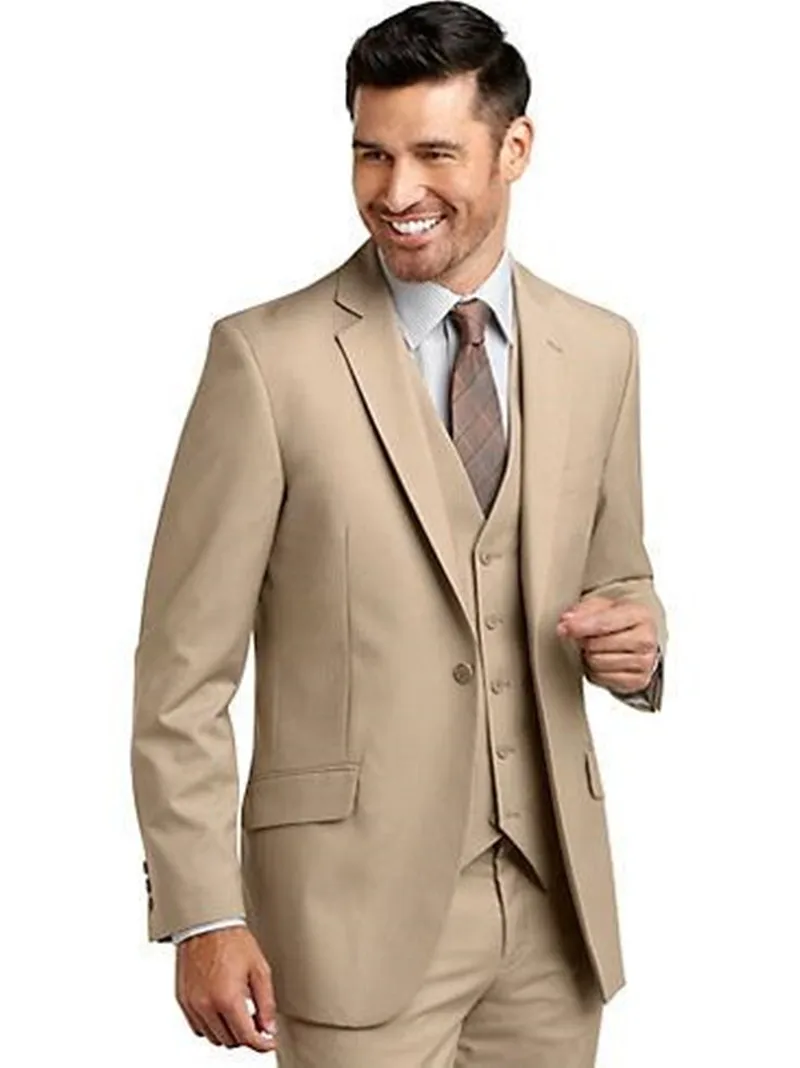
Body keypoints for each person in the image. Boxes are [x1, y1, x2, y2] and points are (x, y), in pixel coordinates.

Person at [130, 3, 667, 1064]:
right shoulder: (266, 361)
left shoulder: (599, 348)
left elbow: (619, 575)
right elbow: (182, 673)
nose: (396, 190)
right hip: (345, 920)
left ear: (514, 148)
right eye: (371, 154)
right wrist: (202, 911)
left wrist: (638, 643)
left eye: (434, 154)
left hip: (554, 915)